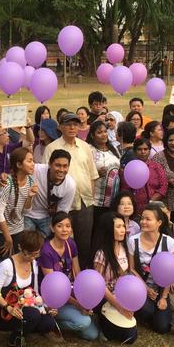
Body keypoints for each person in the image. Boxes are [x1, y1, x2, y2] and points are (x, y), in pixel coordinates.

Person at [0, 230, 57, 347]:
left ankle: (24, 329)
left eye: (36, 254)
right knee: (33, 315)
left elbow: (35, 291)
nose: (32, 258)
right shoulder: (6, 265)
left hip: (26, 307)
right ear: (20, 248)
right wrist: (8, 307)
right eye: (30, 254)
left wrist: (46, 307)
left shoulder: (34, 264)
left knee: (48, 322)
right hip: (5, 312)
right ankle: (12, 343)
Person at [43, 112, 99, 269]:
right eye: (68, 124)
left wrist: (91, 197)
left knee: (84, 244)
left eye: (75, 124)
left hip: (85, 203)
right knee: (63, 243)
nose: (72, 127)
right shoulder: (52, 148)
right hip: (62, 205)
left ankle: (83, 277)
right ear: (60, 127)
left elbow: (92, 174)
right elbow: (45, 177)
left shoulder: (85, 146)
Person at [38, 212, 98, 340]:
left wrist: (84, 300)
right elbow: (54, 289)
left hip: (70, 294)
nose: (65, 230)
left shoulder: (71, 244)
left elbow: (78, 274)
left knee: (91, 334)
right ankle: (51, 325)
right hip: (53, 299)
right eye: (60, 226)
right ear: (52, 228)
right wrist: (78, 305)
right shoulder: (46, 251)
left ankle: (76, 318)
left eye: (68, 226)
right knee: (84, 322)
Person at [127, 204, 174, 334]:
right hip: (140, 288)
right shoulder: (133, 241)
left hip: (161, 289)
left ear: (159, 222)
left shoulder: (170, 243)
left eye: (148, 219)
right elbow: (131, 269)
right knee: (147, 311)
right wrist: (146, 289)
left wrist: (164, 297)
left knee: (163, 328)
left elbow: (171, 274)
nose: (143, 222)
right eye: (142, 218)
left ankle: (157, 312)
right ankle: (147, 311)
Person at [93, 212, 137, 343]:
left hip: (122, 295)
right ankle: (99, 321)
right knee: (128, 336)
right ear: (108, 229)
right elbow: (99, 286)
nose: (123, 230)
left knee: (131, 336)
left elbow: (128, 275)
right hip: (107, 299)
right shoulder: (101, 254)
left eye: (123, 226)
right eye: (118, 227)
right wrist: (119, 307)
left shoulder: (125, 248)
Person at [0, 148, 37, 257]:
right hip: (3, 231)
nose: (33, 164)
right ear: (19, 164)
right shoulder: (8, 183)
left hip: (19, 230)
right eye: (29, 161)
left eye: (33, 161)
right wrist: (7, 237)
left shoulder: (31, 181)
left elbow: (26, 212)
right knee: (0, 264)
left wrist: (30, 197)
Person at [24, 150, 76, 238]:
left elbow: (62, 212)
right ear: (49, 164)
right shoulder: (36, 169)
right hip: (27, 213)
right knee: (27, 242)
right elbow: (20, 171)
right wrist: (5, 176)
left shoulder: (70, 185)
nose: (61, 170)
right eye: (58, 165)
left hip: (47, 217)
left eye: (65, 166)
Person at [88, 120, 121, 217]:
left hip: (113, 201)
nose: (103, 134)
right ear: (92, 136)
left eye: (105, 131)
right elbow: (83, 173)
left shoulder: (113, 149)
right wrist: (96, 173)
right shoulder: (89, 150)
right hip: (97, 202)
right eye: (99, 132)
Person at [129, 137, 168, 216]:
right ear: (135, 151)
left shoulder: (156, 167)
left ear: (149, 150)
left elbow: (164, 185)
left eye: (145, 149)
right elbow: (125, 189)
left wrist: (151, 201)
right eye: (139, 149)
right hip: (135, 208)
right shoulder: (130, 168)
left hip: (154, 208)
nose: (143, 152)